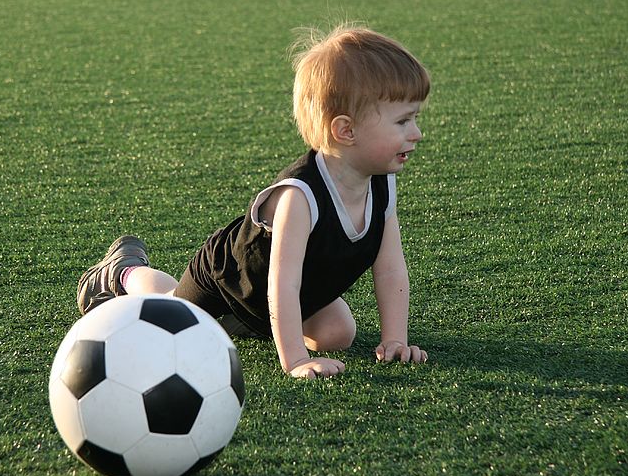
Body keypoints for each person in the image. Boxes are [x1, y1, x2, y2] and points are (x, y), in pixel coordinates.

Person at [77, 24, 430, 379]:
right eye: (403, 121)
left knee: (337, 334)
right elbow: (282, 282)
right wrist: (295, 361)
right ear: (346, 130)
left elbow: (389, 269)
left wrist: (395, 339)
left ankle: (251, 323)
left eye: (414, 118)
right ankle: (123, 272)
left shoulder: (382, 187)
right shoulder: (300, 195)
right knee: (172, 319)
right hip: (228, 279)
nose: (416, 133)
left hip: (288, 297)